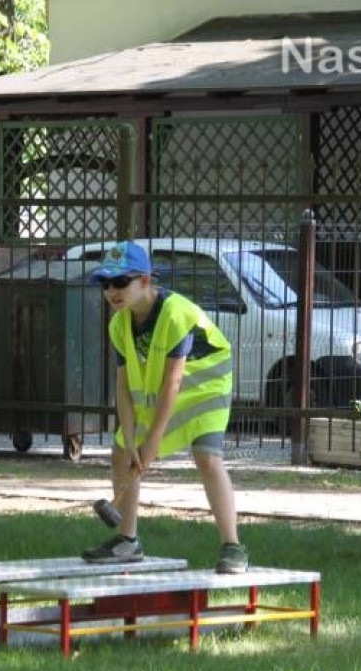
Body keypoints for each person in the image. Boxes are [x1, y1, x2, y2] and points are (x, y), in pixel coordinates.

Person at [82, 240, 249, 574]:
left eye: (120, 282)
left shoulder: (174, 313)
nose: (112, 290)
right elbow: (123, 387)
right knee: (119, 452)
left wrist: (152, 442)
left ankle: (233, 547)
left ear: (144, 280)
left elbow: (173, 381)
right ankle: (127, 541)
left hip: (205, 384)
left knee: (206, 455)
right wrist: (131, 441)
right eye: (105, 283)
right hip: (166, 387)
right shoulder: (119, 324)